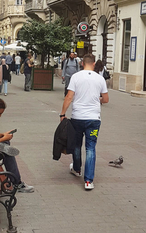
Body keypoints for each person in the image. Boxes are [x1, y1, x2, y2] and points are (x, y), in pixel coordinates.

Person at [60, 54, 109, 190]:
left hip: (77, 118)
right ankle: (88, 181)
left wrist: (62, 114)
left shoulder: (76, 77)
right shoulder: (100, 79)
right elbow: (106, 99)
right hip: (93, 119)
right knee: (90, 147)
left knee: (76, 145)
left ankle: (77, 169)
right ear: (93, 64)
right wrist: (96, 99)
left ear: (82, 63)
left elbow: (69, 97)